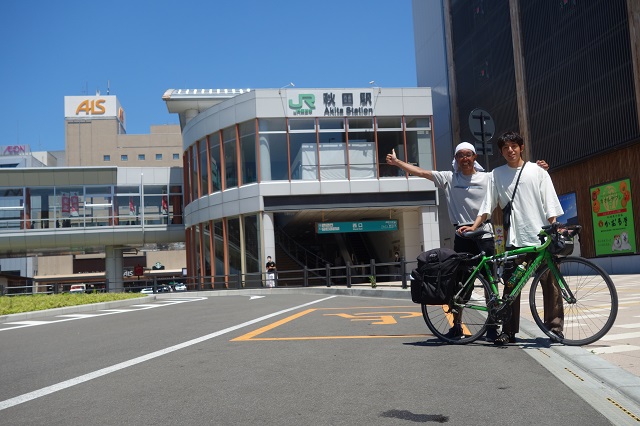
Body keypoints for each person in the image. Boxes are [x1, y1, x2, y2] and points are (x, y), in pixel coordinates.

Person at [386, 142, 548, 340]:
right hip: (462, 236)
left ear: (475, 157)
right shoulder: (448, 178)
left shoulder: (488, 177)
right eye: (460, 155)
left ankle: (491, 326)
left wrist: (538, 170)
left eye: (468, 155)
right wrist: (398, 162)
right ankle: (457, 326)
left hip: (485, 233)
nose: (464, 159)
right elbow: (420, 172)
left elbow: (513, 178)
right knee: (460, 283)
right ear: (455, 159)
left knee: (491, 283)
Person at [458, 131, 564, 345]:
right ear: (501, 151)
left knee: (552, 286)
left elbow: (549, 202)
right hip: (516, 241)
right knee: (510, 287)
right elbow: (487, 204)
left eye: (514, 146)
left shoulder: (538, 171)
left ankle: (555, 329)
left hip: (542, 239)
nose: (510, 150)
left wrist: (554, 227)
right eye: (505, 148)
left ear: (521, 147)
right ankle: (508, 331)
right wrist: (475, 225)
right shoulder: (497, 174)